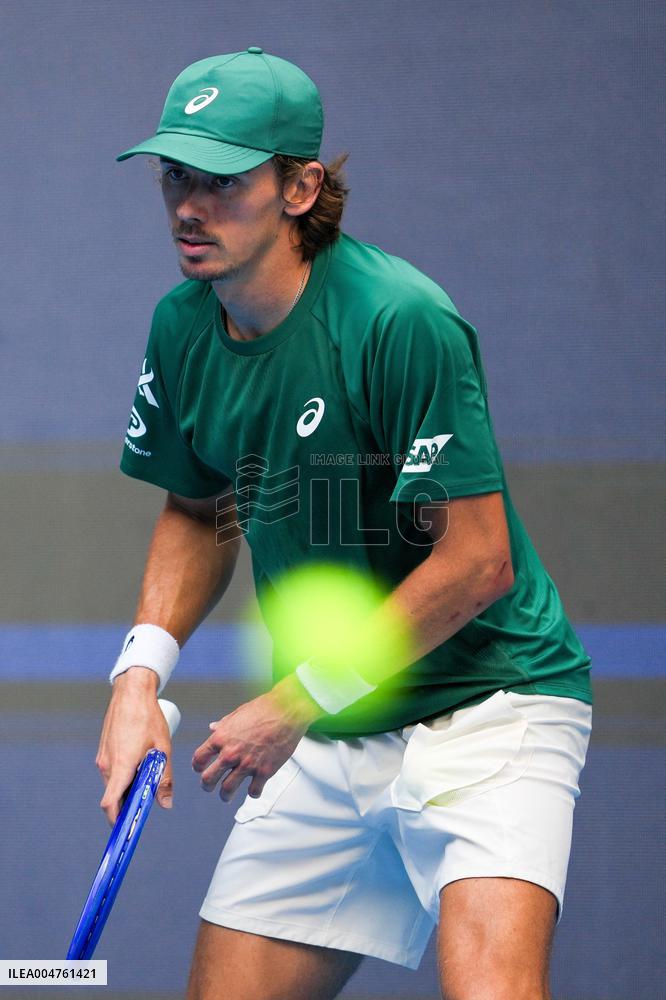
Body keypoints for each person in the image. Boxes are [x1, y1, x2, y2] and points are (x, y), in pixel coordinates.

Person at [96, 48, 593, 1000]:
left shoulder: (400, 320)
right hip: (333, 726)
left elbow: (479, 562)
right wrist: (138, 676)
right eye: (174, 176)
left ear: (299, 187)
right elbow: (202, 509)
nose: (188, 206)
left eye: (223, 180)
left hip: (488, 704)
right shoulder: (182, 326)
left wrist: (293, 702)